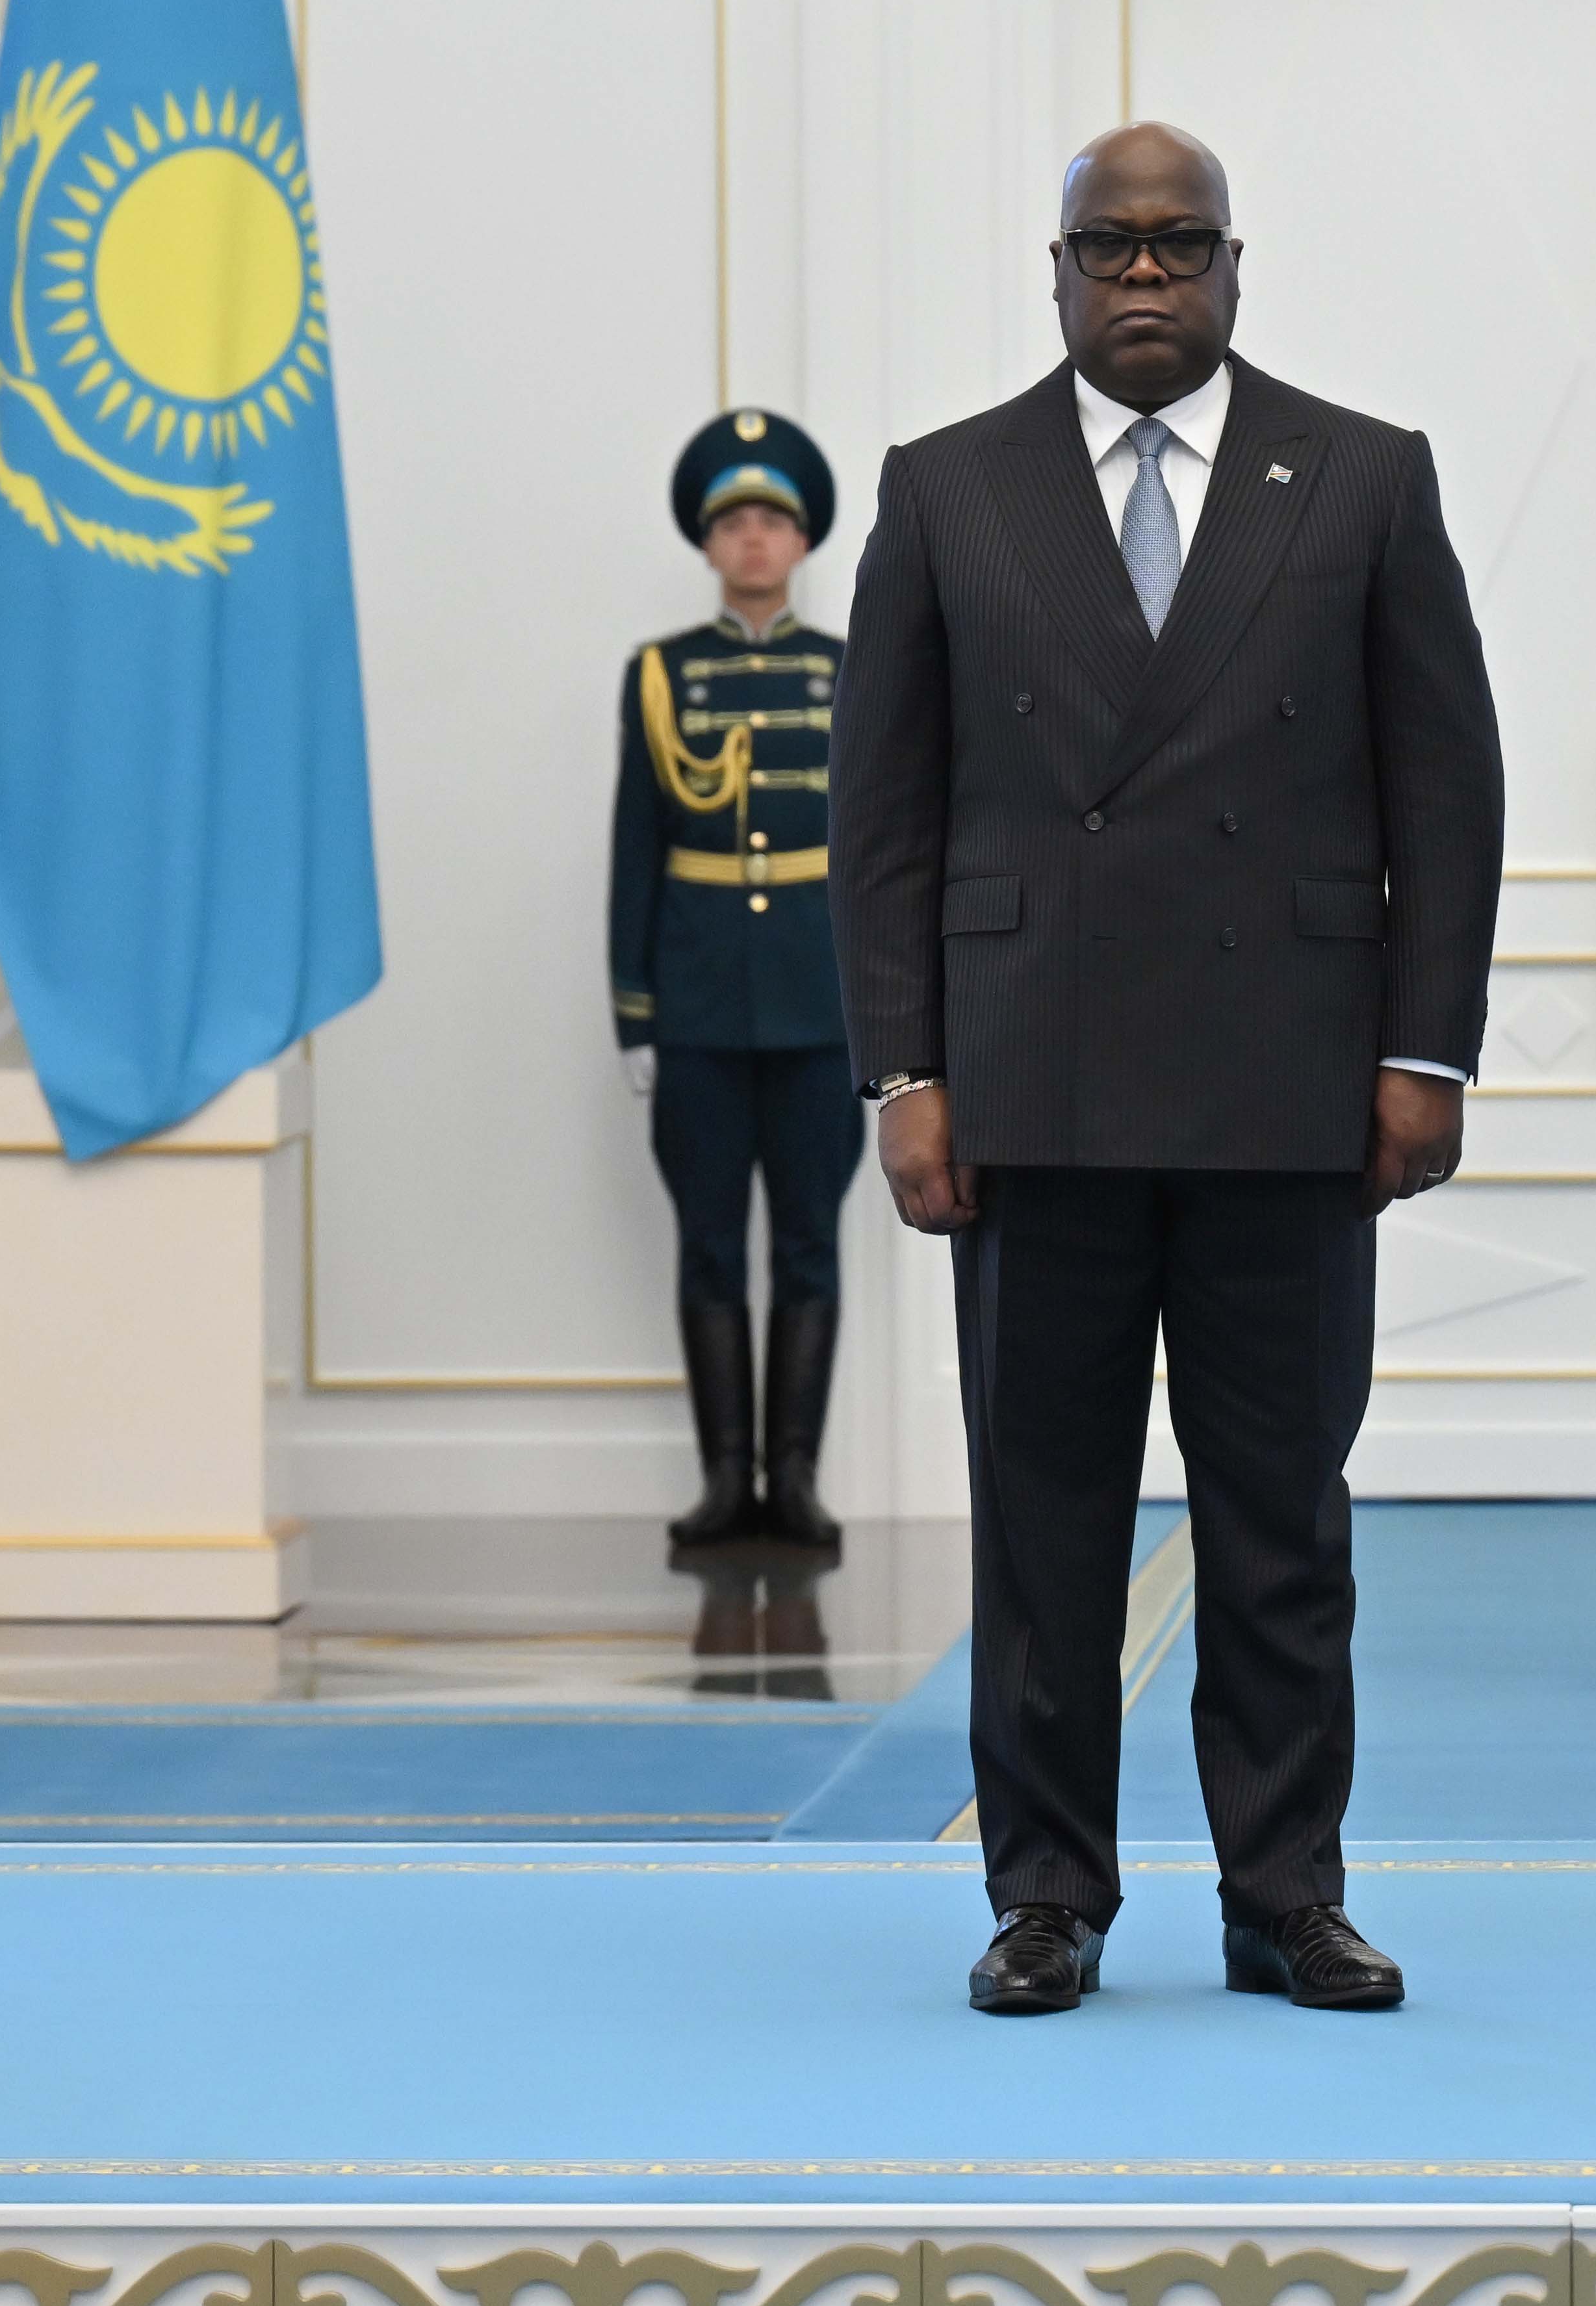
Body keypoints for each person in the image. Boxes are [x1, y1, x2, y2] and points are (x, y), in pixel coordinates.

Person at [832, 122, 1505, 2021]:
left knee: (1280, 1520)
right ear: (1054, 273)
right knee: (1043, 1521)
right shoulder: (947, 486)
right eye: (1109, 247)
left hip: (1287, 1082)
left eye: (1180, 244)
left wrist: (1424, 1045)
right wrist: (902, 1070)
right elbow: (879, 809)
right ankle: (1044, 1892)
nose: (1145, 275)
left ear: (1233, 266)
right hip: (1024, 1084)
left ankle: (1286, 1894)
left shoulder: (1362, 474)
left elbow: (1445, 785)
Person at [611, 411, 862, 1554]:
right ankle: (724, 1480)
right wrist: (635, 1008)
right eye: (734, 523)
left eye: (772, 520)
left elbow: (882, 851)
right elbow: (637, 847)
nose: (754, 539)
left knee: (810, 1238)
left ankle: (794, 1479)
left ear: (802, 541)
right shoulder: (661, 676)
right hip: (702, 1003)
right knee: (708, 1240)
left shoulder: (851, 671)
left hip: (821, 1002)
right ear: (707, 544)